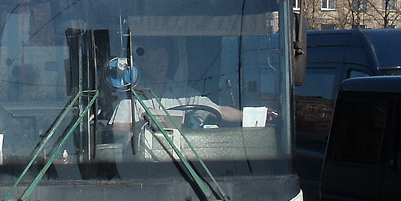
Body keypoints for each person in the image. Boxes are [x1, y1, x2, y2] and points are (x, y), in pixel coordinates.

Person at [110, 40, 276, 135]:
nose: (159, 63)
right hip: (140, 164)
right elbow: (116, 129)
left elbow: (218, 110)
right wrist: (139, 125)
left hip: (180, 162)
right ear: (144, 65)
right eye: (153, 59)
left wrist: (253, 116)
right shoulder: (132, 92)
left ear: (169, 61)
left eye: (162, 58)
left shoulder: (181, 92)